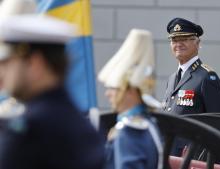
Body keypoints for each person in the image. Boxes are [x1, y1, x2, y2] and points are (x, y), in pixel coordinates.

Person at [0, 14, 104, 169]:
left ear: (35, 64)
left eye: (7, 63)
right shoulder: (79, 123)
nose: (2, 72)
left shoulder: (30, 130)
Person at [162, 17, 220, 156]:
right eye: (174, 40)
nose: (178, 44)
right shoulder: (171, 79)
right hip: (170, 156)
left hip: (193, 160)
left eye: (184, 39)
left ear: (198, 43)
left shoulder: (206, 77)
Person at [98, 29, 163, 169]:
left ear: (131, 91)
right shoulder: (147, 123)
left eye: (114, 88)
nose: (107, 94)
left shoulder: (129, 132)